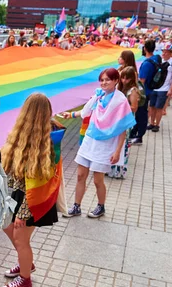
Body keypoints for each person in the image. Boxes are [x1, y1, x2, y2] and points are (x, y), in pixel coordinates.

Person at [0, 94, 62, 287]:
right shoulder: (38, 134)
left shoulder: (46, 140)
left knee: (20, 239)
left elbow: (37, 183)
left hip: (33, 199)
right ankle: (26, 262)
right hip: (25, 194)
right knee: (8, 227)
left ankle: (25, 279)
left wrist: (23, 212)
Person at [62, 68, 136, 218]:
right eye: (102, 80)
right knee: (80, 175)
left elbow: (123, 129)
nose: (104, 83)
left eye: (107, 79)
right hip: (90, 140)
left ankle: (101, 207)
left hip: (106, 145)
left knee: (97, 180)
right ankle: (76, 206)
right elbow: (85, 112)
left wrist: (117, 151)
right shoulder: (98, 95)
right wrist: (70, 115)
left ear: (116, 80)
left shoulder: (120, 101)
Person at [108, 66, 142, 179]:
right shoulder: (120, 88)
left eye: (127, 79)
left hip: (126, 120)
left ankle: (119, 170)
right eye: (122, 78)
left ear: (132, 79)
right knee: (115, 143)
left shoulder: (132, 91)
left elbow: (134, 107)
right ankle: (111, 168)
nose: (124, 80)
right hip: (117, 119)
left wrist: (121, 107)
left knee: (123, 145)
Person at [131, 39, 160, 143]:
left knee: (141, 115)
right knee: (142, 114)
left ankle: (139, 136)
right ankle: (136, 133)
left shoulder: (147, 63)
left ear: (145, 48)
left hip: (144, 92)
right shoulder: (156, 59)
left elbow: (142, 80)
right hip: (150, 90)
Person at [147, 43, 172, 132]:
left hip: (164, 89)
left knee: (159, 107)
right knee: (152, 106)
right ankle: (152, 123)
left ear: (171, 53)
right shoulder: (159, 60)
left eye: (166, 52)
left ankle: (157, 125)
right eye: (163, 52)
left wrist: (170, 90)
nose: (164, 54)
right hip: (155, 87)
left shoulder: (171, 64)